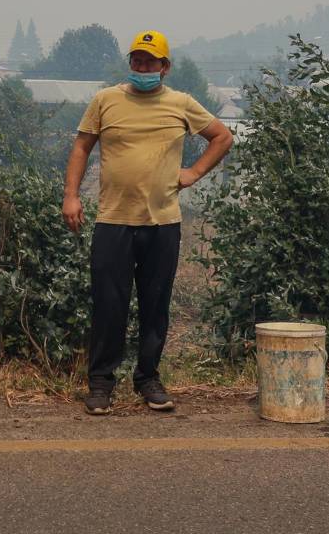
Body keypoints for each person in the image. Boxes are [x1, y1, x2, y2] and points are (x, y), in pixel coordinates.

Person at [62, 30, 233, 415]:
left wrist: (193, 173)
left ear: (164, 67)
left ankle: (148, 379)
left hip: (162, 223)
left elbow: (222, 137)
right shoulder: (106, 100)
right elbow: (82, 146)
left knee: (156, 305)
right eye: (136, 60)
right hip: (113, 220)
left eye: (149, 61)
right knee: (109, 305)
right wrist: (71, 195)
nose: (142, 67)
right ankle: (101, 383)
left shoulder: (181, 103)